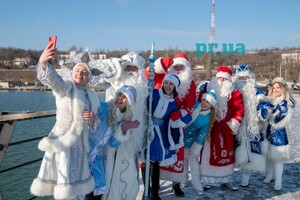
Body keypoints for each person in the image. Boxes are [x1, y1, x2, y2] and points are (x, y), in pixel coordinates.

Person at [30, 44, 98, 199]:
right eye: (78, 71)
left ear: (88, 77)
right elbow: (54, 81)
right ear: (73, 73)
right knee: (64, 186)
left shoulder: (90, 95)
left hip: (79, 146)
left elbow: (96, 124)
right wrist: (43, 63)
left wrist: (93, 118)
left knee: (76, 188)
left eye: (84, 72)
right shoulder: (66, 88)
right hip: (64, 143)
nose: (80, 74)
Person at [197, 65, 244, 191]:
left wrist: (232, 124)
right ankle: (206, 179)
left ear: (229, 80)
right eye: (219, 78)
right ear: (215, 78)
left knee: (226, 155)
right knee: (207, 153)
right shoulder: (207, 89)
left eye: (224, 79)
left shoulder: (234, 93)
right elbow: (199, 104)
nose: (221, 81)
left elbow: (239, 109)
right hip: (209, 128)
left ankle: (227, 179)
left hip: (226, 129)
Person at [160, 53, 196, 197]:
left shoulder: (190, 84)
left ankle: (176, 184)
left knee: (177, 152)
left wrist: (179, 114)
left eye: (181, 66)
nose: (179, 69)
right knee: (160, 151)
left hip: (177, 123)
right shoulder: (166, 80)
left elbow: (190, 104)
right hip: (161, 121)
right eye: (176, 67)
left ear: (186, 67)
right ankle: (156, 181)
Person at [141, 74, 181, 200]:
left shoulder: (174, 103)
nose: (167, 86)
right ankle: (146, 190)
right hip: (147, 129)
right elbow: (143, 107)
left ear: (174, 87)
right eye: (166, 82)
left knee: (156, 161)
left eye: (171, 84)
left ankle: (154, 192)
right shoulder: (153, 94)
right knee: (144, 160)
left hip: (160, 133)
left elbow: (171, 120)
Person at [232, 64, 272, 187]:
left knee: (252, 151)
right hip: (236, 125)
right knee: (234, 151)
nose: (244, 80)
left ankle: (246, 175)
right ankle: (228, 175)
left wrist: (264, 111)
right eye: (241, 78)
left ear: (251, 78)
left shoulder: (256, 91)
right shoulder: (233, 90)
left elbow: (264, 104)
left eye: (247, 78)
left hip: (252, 126)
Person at [102, 85, 142, 200]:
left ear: (129, 102)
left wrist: (124, 128)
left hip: (113, 154)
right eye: (119, 94)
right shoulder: (105, 107)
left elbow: (114, 143)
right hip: (100, 153)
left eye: (125, 97)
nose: (120, 98)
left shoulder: (128, 116)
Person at [263, 77, 296, 190]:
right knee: (268, 155)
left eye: (279, 87)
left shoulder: (286, 103)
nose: (276, 90)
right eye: (274, 87)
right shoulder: (270, 100)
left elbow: (281, 119)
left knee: (278, 157)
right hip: (268, 131)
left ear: (283, 88)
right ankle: (270, 174)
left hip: (279, 133)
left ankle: (278, 180)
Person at [183, 90, 217, 195]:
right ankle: (183, 180)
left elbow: (202, 135)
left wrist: (196, 148)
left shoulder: (208, 119)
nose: (204, 103)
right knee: (182, 160)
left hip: (192, 141)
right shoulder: (195, 105)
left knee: (193, 160)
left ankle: (197, 183)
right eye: (203, 100)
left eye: (208, 102)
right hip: (180, 137)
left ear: (211, 105)